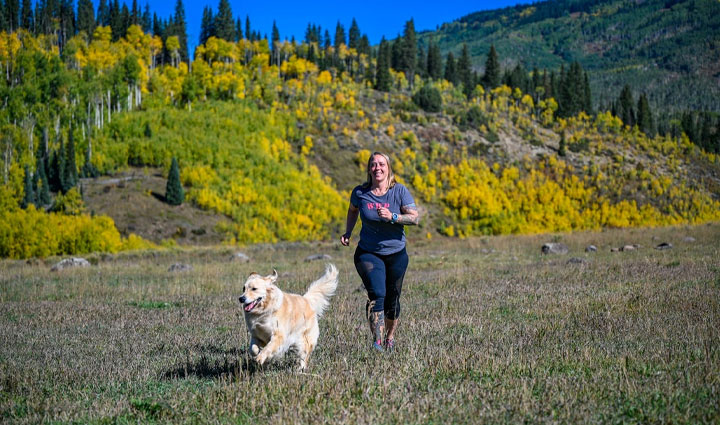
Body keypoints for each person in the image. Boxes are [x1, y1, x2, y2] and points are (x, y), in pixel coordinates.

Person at [341, 151, 419, 352]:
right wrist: (348, 231)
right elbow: (352, 210)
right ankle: (377, 341)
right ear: (369, 169)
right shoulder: (360, 193)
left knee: (393, 300)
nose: (378, 168)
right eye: (373, 164)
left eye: (381, 164)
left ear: (388, 168)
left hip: (396, 253)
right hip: (368, 252)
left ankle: (389, 338)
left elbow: (414, 218)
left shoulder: (399, 191)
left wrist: (393, 216)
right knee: (378, 294)